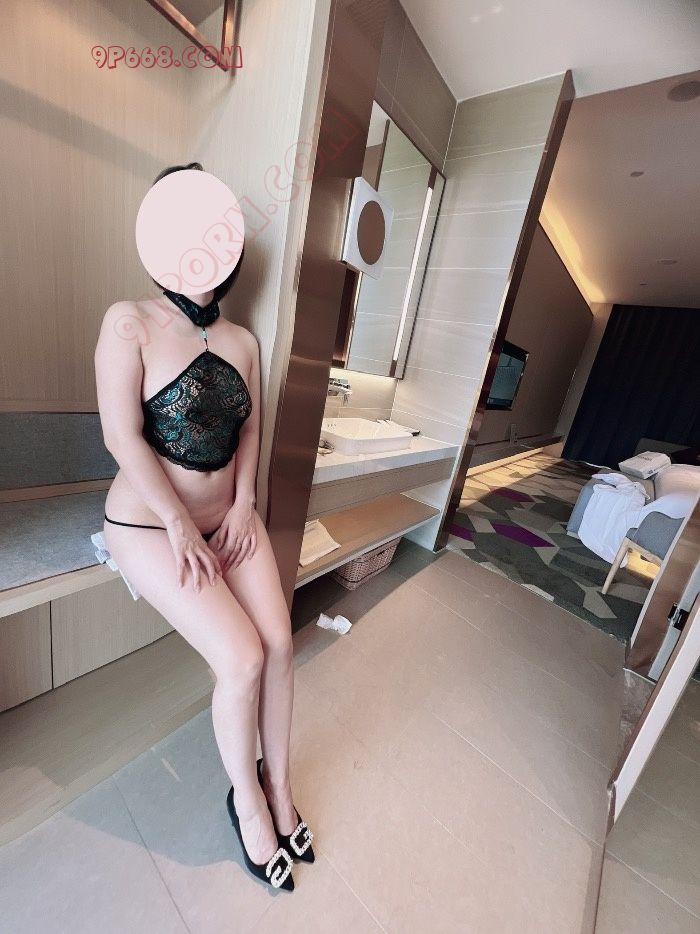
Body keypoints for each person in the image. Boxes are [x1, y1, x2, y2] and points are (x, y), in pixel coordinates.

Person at [95, 163, 312, 891]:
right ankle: (246, 803)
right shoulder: (129, 321)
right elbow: (122, 436)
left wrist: (246, 502)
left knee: (280, 645)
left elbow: (250, 430)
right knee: (242, 659)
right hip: (151, 525)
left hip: (230, 518)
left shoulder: (244, 340)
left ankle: (280, 789)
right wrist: (177, 524)